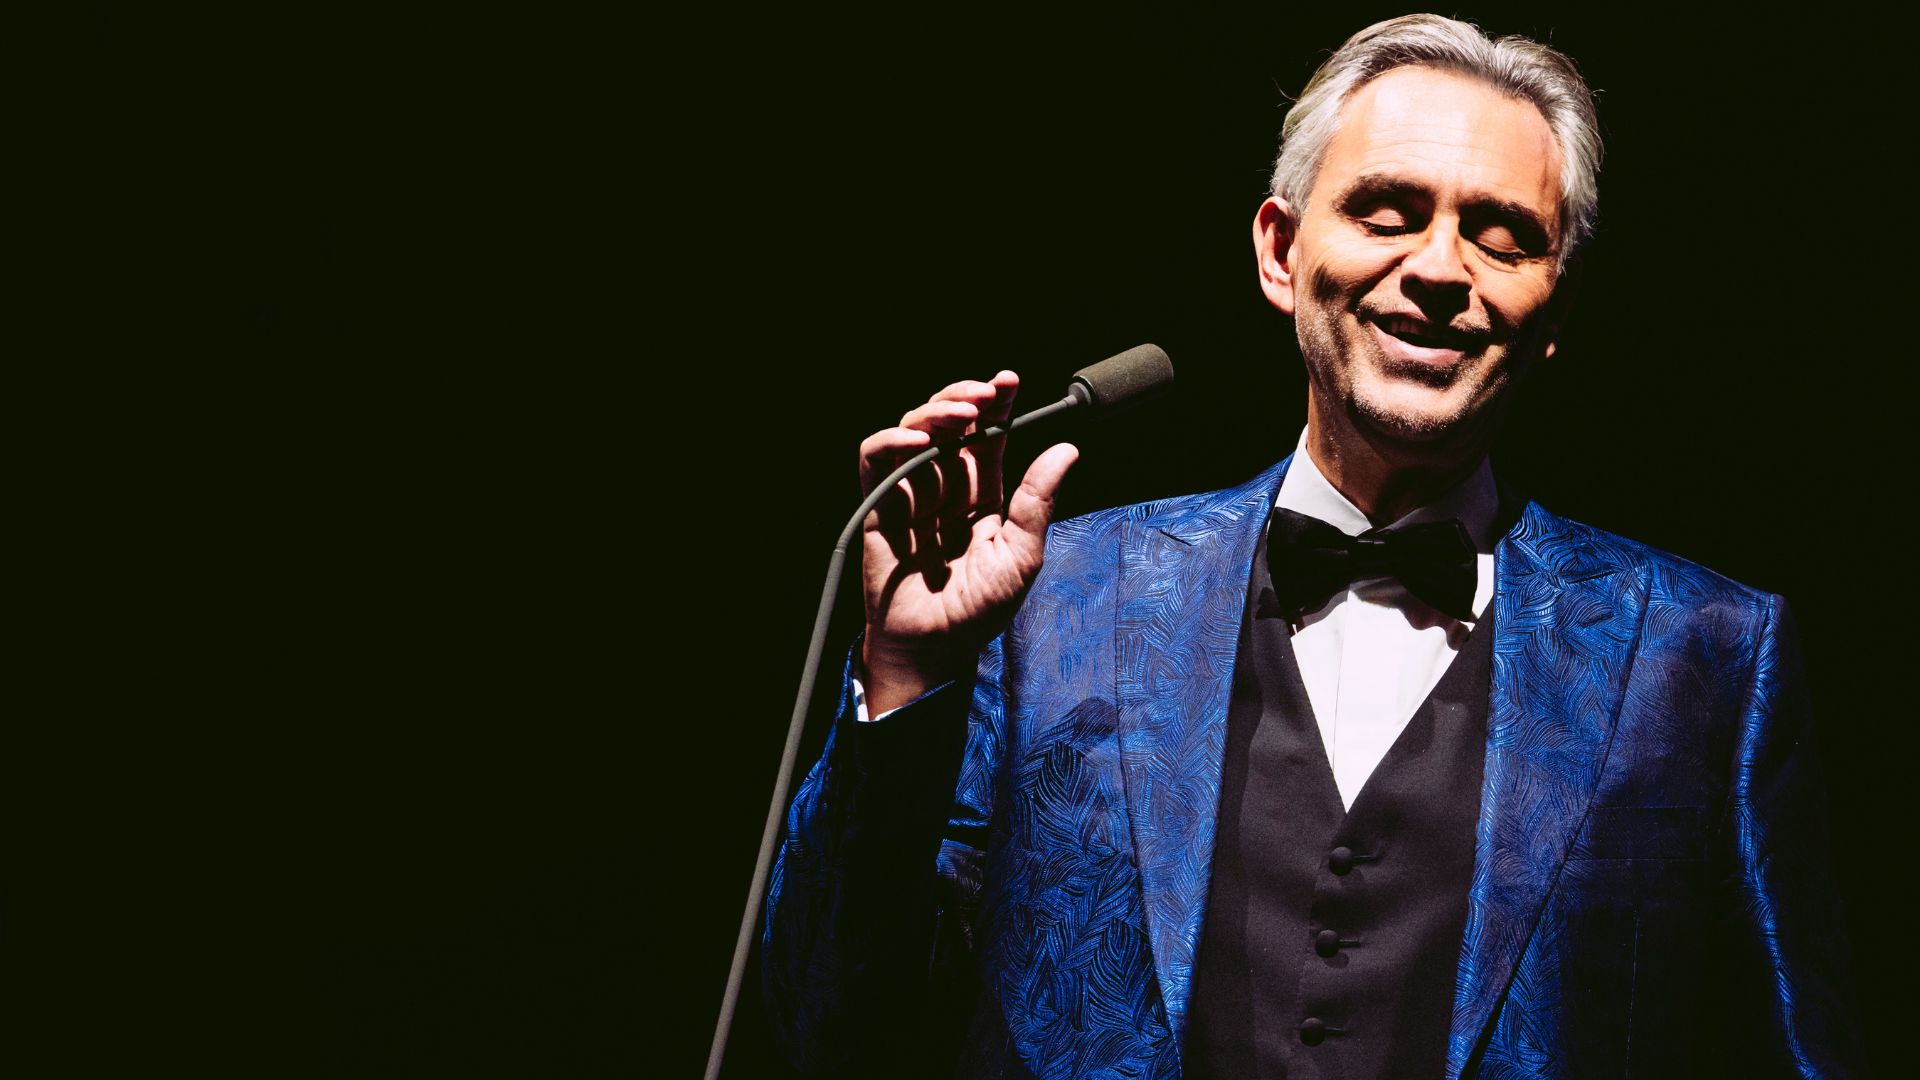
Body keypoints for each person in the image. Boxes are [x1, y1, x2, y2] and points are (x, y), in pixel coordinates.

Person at [761, 15, 1858, 1078]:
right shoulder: (1051, 601)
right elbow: (832, 1030)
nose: (1439, 267)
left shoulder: (1707, 654)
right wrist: (906, 680)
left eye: (1502, 234)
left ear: (1554, 304)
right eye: (1386, 213)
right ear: (1281, 253)